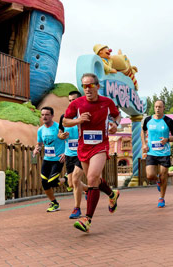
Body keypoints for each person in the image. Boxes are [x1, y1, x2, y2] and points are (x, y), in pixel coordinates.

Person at [63, 73, 121, 233]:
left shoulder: (107, 102)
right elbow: (65, 121)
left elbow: (117, 115)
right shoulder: (77, 103)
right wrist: (78, 120)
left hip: (100, 145)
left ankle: (87, 219)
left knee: (91, 178)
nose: (87, 89)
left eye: (90, 85)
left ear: (97, 86)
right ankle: (112, 194)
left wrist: (115, 124)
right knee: (94, 180)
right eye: (84, 86)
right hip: (83, 147)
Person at [141, 100, 173, 208]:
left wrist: (167, 139)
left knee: (164, 176)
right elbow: (142, 131)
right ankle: (157, 181)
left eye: (160, 107)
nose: (157, 109)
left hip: (164, 153)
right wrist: (144, 144)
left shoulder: (168, 121)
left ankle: (161, 198)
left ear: (163, 108)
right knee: (150, 175)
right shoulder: (148, 120)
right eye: (156, 107)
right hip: (151, 152)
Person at [58, 91, 89, 219]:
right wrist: (62, 136)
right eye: (70, 100)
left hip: (82, 152)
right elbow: (60, 133)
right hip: (69, 154)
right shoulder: (64, 117)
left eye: (74, 100)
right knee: (71, 184)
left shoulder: (85, 116)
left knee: (76, 180)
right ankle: (88, 190)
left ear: (80, 100)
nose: (72, 103)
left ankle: (77, 209)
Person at [33, 107, 67, 212]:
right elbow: (39, 143)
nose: (44, 117)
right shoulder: (40, 130)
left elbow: (68, 140)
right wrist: (36, 149)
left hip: (58, 159)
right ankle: (54, 203)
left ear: (52, 116)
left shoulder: (59, 127)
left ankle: (66, 180)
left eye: (47, 114)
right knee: (44, 182)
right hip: (47, 159)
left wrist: (66, 153)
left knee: (52, 182)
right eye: (42, 115)